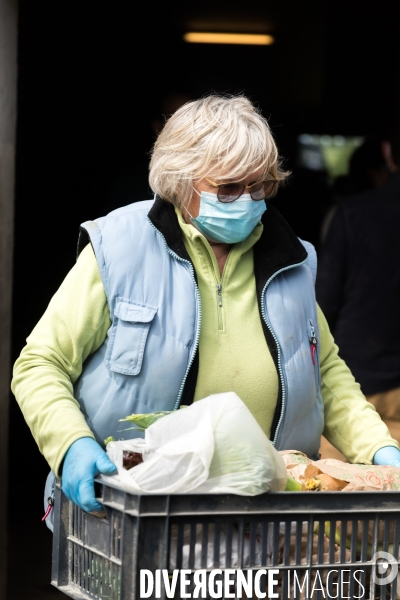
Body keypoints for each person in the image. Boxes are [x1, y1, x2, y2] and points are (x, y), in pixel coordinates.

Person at [11, 96, 400, 523]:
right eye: (229, 187)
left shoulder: (293, 260)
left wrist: (381, 450)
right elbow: (40, 364)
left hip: (262, 520)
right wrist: (70, 445)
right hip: (130, 512)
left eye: (261, 186)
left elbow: (326, 373)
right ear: (180, 182)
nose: (249, 201)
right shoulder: (119, 248)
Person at [316, 122, 400, 446]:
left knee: (354, 489)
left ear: (387, 152)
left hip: (356, 389)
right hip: (360, 385)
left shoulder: (352, 214)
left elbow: (322, 308)